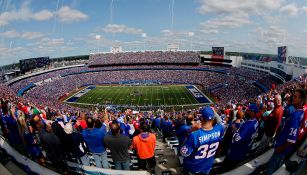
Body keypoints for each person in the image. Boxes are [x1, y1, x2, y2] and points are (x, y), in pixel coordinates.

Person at [266, 89, 306, 175]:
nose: (292, 98)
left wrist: (281, 147)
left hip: (282, 148)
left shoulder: (295, 115)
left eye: (295, 96)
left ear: (301, 100)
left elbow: (292, 139)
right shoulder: (300, 112)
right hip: (283, 146)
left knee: (270, 169)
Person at [180, 107, 224, 175]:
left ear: (202, 118)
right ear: (213, 118)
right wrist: (213, 112)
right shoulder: (220, 129)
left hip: (193, 168)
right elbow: (220, 122)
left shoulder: (194, 135)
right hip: (207, 167)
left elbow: (183, 153)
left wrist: (190, 132)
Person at [221, 104, 259, 172]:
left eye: (248, 110)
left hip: (236, 154)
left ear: (253, 113)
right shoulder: (255, 122)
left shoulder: (248, 126)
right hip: (244, 149)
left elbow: (237, 139)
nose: (246, 111)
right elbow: (243, 133)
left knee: (225, 170)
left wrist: (233, 129)